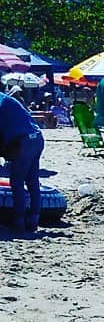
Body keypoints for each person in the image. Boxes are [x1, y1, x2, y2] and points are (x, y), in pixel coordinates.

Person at [0, 91, 44, 234]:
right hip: (36, 138)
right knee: (32, 181)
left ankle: (18, 221)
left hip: (22, 141)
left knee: (17, 181)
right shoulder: (7, 99)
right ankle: (33, 220)